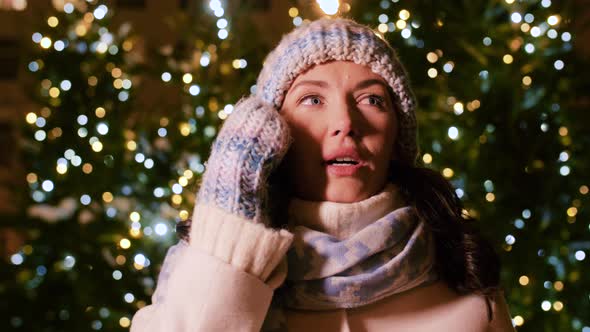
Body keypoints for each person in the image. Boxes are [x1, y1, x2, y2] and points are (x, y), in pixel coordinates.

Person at [131, 17, 515, 331]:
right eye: (312, 99)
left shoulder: (467, 278)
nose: (346, 123)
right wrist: (230, 230)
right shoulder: (195, 270)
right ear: (274, 130)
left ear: (397, 134)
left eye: (372, 100)